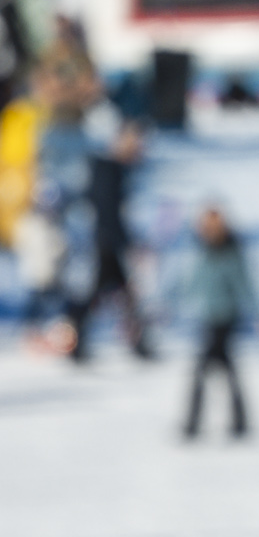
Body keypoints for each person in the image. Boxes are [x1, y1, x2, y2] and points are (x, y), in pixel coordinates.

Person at [70, 116, 150, 359]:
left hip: (107, 243)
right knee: (108, 295)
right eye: (132, 140)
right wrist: (124, 244)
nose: (137, 147)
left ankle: (137, 342)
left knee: (120, 296)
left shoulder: (116, 169)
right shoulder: (108, 170)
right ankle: (76, 340)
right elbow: (107, 212)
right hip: (104, 245)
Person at [177, 201, 252, 437]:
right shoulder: (204, 252)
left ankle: (194, 424)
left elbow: (245, 285)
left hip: (226, 319)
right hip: (208, 318)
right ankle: (236, 422)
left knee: (205, 370)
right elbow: (192, 283)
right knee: (226, 371)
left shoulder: (231, 252)